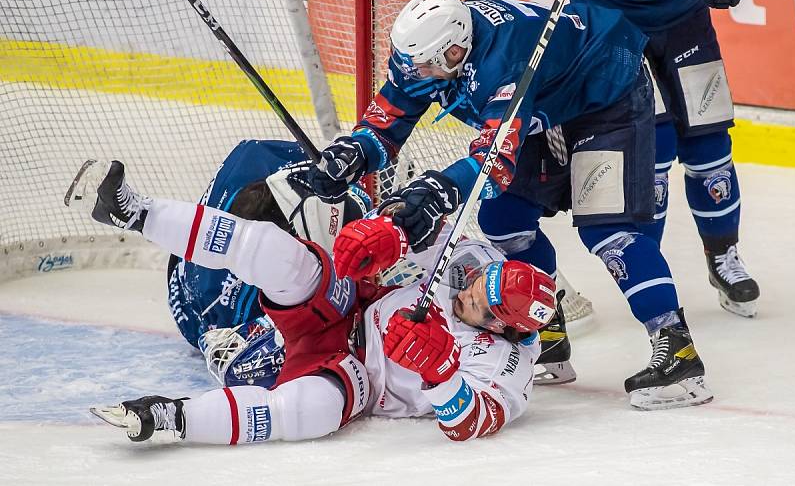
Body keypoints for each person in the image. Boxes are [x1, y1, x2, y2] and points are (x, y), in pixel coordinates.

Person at [309, 0, 712, 409]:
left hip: (607, 94)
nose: (420, 73)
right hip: (549, 102)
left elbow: (492, 162)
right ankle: (549, 333)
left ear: (456, 50)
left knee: (607, 231)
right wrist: (354, 151)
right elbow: (390, 118)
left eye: (430, 65)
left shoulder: (505, 61)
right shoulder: (423, 53)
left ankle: (677, 349)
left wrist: (437, 192)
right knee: (505, 222)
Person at [87, 159, 557, 443]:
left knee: (311, 412)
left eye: (482, 302)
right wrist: (389, 230)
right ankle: (135, 211)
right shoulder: (475, 260)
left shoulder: (507, 367)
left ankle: (171, 417)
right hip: (351, 305)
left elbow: (473, 423)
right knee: (276, 252)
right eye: (482, 280)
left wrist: (442, 376)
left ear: (503, 328)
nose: (472, 287)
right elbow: (417, 230)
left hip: (357, 375)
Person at [465, 0, 759, 318]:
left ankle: (722, 254)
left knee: (710, 145)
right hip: (603, 26)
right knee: (653, 150)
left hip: (685, 18)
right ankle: (650, 269)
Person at [164, 139, 369, 388]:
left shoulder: (254, 157)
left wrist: (351, 163)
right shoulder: (234, 308)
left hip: (201, 270)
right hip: (201, 305)